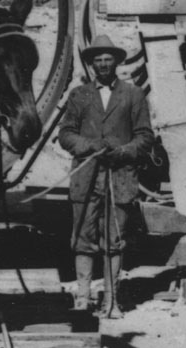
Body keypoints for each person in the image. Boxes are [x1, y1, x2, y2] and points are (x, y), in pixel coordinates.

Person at [58, 42, 155, 323]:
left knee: (115, 240)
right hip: (86, 177)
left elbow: (145, 137)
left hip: (120, 176)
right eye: (97, 59)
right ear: (91, 64)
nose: (102, 64)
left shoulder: (133, 95)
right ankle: (83, 297)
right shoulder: (79, 95)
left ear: (116, 62)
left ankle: (112, 300)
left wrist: (123, 151)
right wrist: (89, 145)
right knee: (82, 238)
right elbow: (65, 135)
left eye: (107, 59)